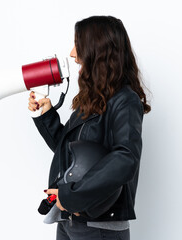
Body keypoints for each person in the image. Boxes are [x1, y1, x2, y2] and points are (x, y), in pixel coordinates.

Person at [28, 16, 151, 240]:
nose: (72, 53)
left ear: (97, 50)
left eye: (78, 44)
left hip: (98, 227)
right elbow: (69, 154)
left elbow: (125, 159)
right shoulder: (93, 99)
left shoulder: (125, 101)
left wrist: (70, 195)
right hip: (70, 220)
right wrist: (46, 115)